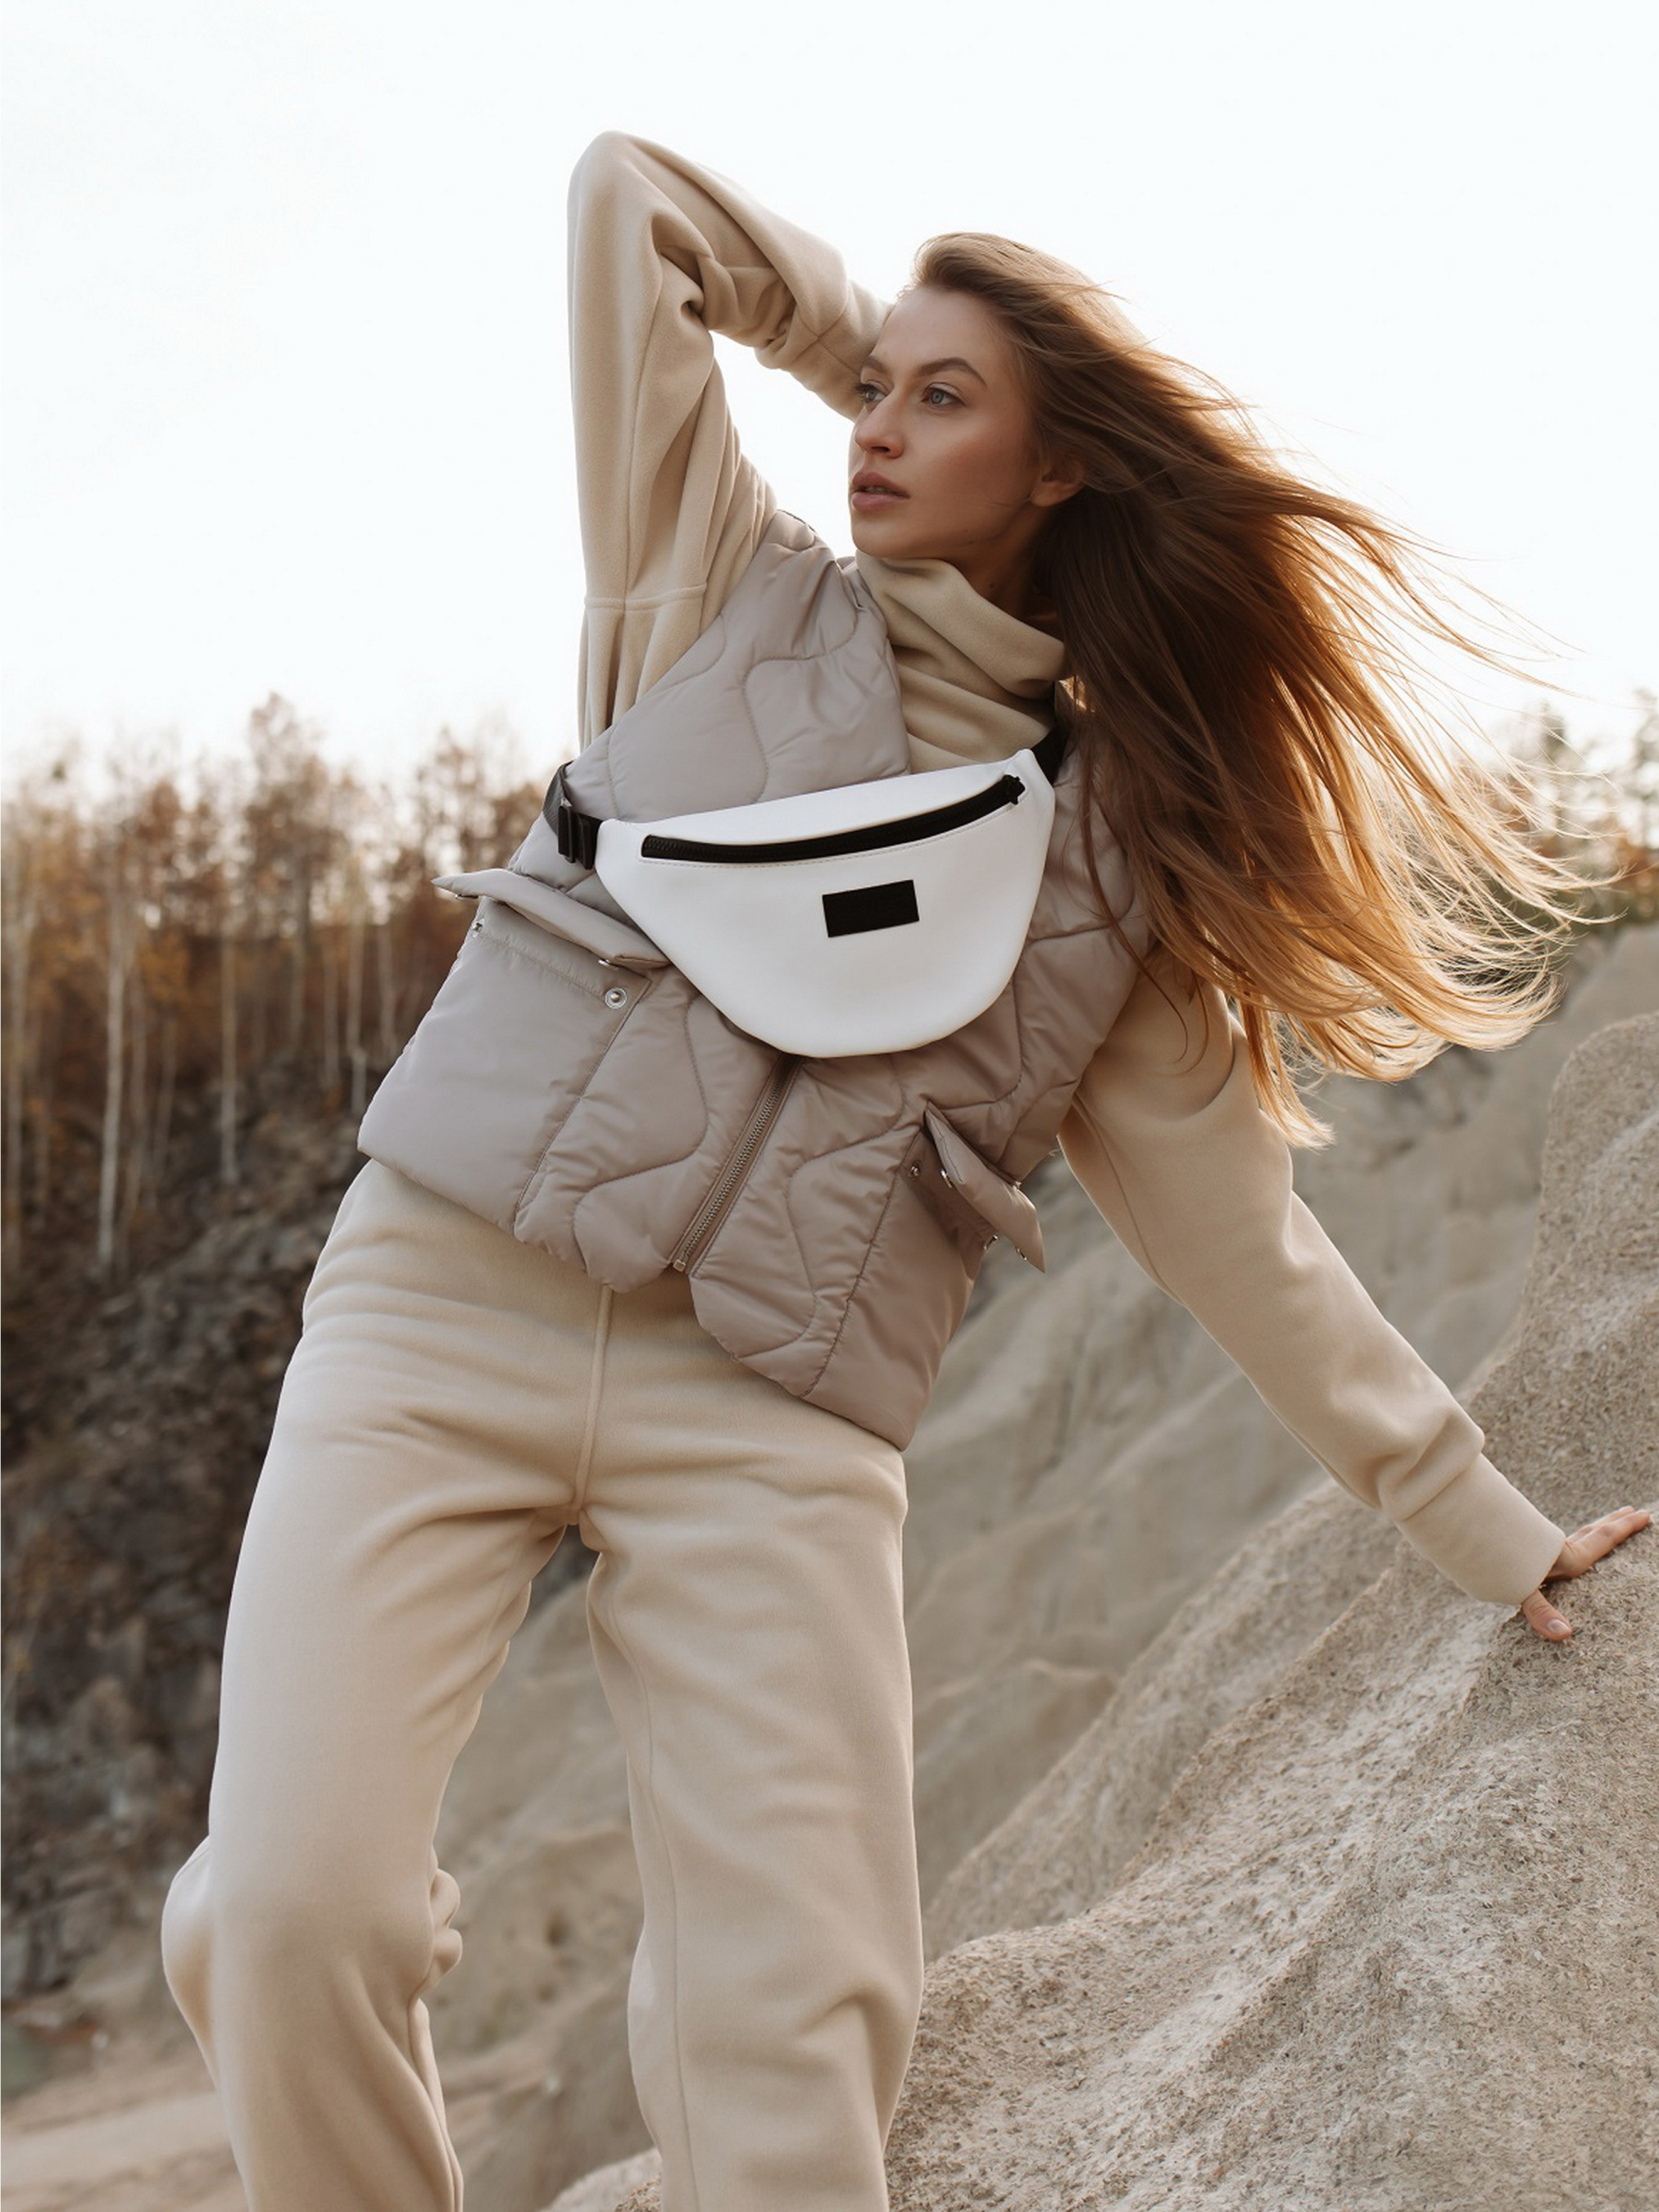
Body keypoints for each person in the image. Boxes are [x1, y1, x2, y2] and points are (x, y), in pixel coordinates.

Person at [159, 131, 1650, 2212]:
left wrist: (1483, 1526)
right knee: (293, 1919)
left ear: (1062, 466)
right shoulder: (712, 591)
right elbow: (627, 206)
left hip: (769, 1425)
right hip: (441, 1313)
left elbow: (1246, 1249)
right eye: (873, 392)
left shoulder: (1114, 858)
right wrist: (876, 343)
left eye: (942, 404)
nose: (874, 430)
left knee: (796, 2050)